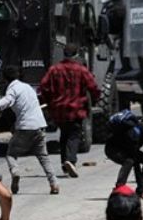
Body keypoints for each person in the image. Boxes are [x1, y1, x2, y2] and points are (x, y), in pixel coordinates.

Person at [0, 65, 59, 195]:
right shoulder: (28, 87)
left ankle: (15, 172)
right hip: (39, 125)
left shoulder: (13, 89)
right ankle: (54, 184)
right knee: (43, 156)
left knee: (11, 153)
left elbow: (7, 101)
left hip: (25, 126)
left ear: (5, 79)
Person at [39, 43, 101, 178]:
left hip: (59, 110)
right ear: (76, 54)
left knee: (64, 135)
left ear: (64, 54)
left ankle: (64, 164)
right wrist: (95, 99)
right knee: (74, 135)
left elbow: (43, 86)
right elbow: (93, 86)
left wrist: (49, 101)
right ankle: (71, 160)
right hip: (76, 109)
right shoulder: (81, 70)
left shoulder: (54, 69)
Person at [104, 114, 143, 200]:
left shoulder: (142, 129)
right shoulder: (134, 136)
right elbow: (136, 165)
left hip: (125, 148)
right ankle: (119, 189)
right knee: (130, 161)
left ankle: (141, 189)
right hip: (113, 150)